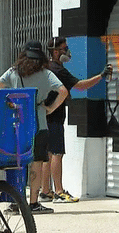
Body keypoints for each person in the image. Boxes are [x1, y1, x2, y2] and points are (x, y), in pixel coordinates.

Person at [39, 36, 112, 203]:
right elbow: (81, 85)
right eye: (64, 49)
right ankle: (58, 191)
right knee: (57, 153)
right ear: (56, 52)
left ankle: (45, 191)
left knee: (47, 155)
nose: (67, 51)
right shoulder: (59, 71)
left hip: (44, 117)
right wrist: (101, 76)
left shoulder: (46, 68)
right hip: (55, 117)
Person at [0, 40, 68, 213]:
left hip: (16, 125)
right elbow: (63, 91)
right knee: (37, 162)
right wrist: (50, 108)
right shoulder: (45, 73)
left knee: (18, 162)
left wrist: (10, 103)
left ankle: (17, 202)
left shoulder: (13, 72)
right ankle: (33, 203)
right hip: (39, 122)